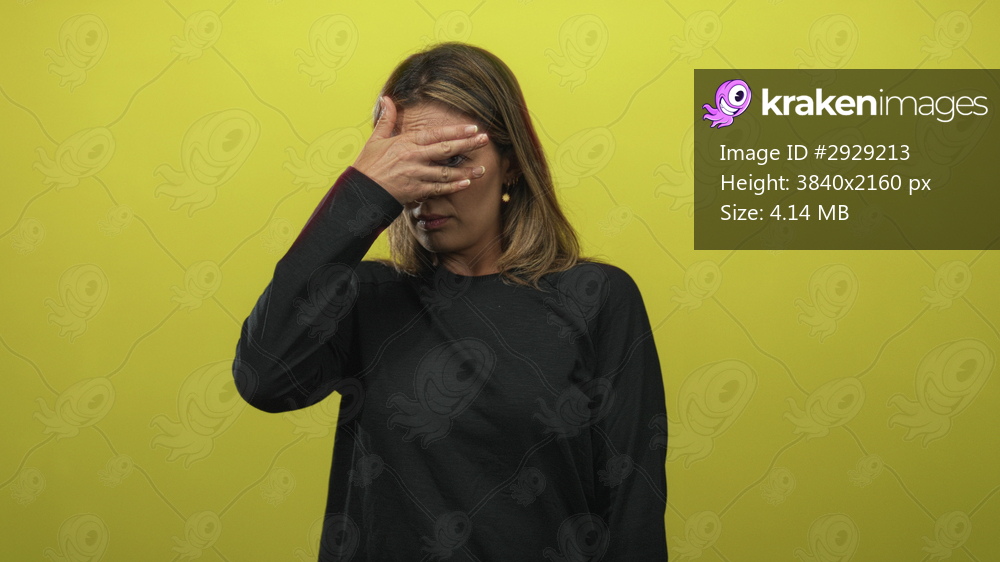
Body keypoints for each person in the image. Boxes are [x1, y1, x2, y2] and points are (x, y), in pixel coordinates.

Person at [232, 41, 667, 561]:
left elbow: (633, 511)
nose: (427, 190)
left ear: (511, 163)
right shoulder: (366, 298)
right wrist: (361, 192)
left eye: (454, 160)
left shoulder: (597, 299)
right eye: (408, 165)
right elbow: (263, 377)